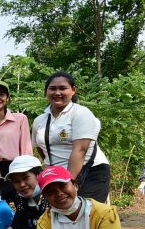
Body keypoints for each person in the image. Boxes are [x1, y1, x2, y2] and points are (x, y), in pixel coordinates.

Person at [32, 72, 110, 202]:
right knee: (62, 213)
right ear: (46, 91)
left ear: (73, 90)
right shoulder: (39, 120)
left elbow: (80, 150)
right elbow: (40, 148)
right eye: (52, 88)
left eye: (62, 88)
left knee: (87, 211)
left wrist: (68, 182)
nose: (57, 92)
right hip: (57, 177)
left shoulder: (81, 113)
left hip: (89, 171)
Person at [0, 81, 32, 203]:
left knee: (18, 206)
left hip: (15, 170)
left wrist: (27, 174)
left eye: (1, 94)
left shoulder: (20, 119)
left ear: (7, 98)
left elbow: (26, 150)